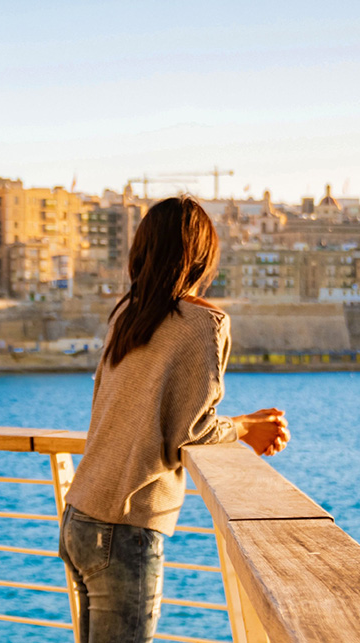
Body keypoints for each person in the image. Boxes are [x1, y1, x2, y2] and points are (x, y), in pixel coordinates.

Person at [59, 196, 290, 643]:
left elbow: (149, 414)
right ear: (200, 256)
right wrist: (245, 430)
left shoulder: (127, 315)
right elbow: (192, 434)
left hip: (81, 513)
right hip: (125, 525)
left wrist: (242, 422)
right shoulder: (203, 323)